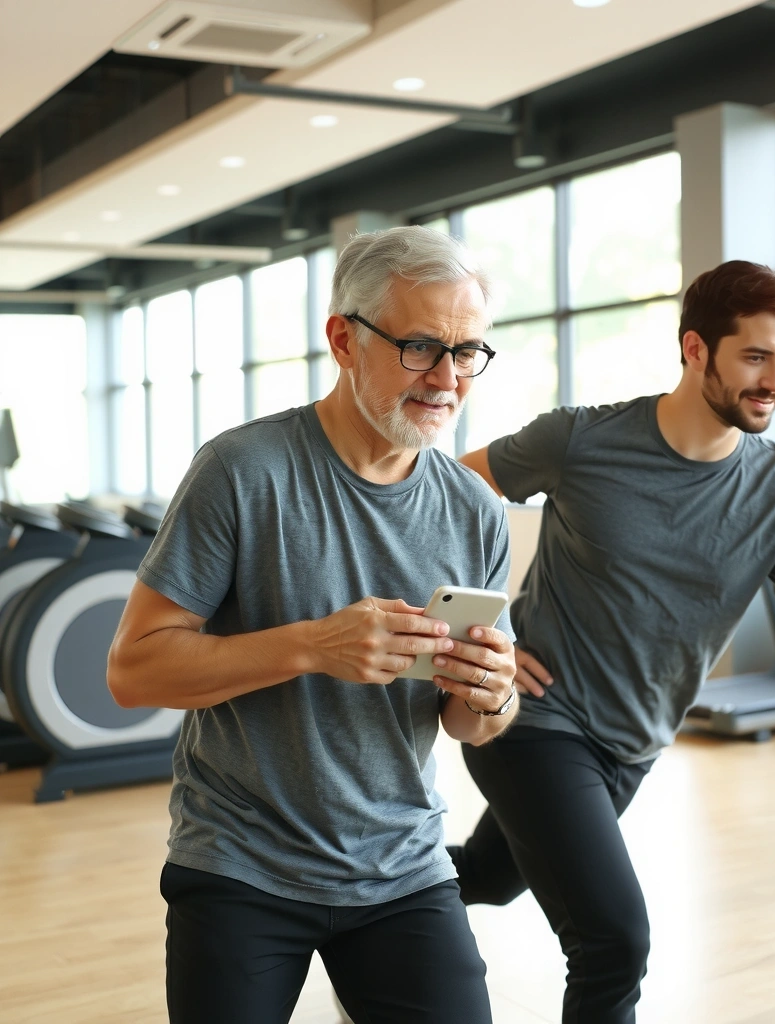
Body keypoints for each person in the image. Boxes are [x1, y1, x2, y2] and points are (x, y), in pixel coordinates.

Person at [449, 259, 775, 1024]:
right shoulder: (580, 440)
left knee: (487, 878)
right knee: (614, 942)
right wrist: (488, 631)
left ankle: (374, 904)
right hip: (532, 720)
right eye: (755, 356)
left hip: (633, 744)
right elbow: (441, 496)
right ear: (695, 350)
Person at [107, 226, 520, 1024]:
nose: (447, 379)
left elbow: (465, 723)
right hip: (241, 863)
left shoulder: (475, 510)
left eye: (467, 351)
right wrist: (313, 645)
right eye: (420, 347)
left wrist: (493, 695)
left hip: (403, 866)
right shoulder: (242, 470)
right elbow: (133, 670)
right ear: (343, 339)